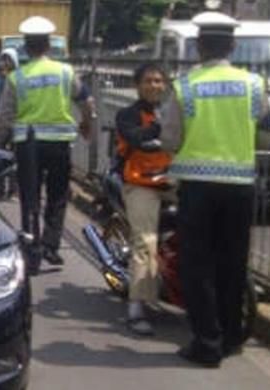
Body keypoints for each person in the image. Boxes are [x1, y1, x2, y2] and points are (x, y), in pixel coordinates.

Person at [159, 12, 270, 367]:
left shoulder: (185, 86)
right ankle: (230, 337)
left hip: (198, 187)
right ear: (233, 46)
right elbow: (268, 136)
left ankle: (207, 343)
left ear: (198, 47)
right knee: (232, 262)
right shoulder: (255, 85)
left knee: (197, 266)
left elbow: (170, 138)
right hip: (240, 187)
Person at [0, 16, 96, 273]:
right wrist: (86, 125)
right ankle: (51, 245)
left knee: (30, 197)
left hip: (28, 145)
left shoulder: (17, 78)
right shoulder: (65, 72)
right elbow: (87, 102)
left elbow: (5, 116)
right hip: (59, 144)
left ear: (25, 48)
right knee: (58, 196)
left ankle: (32, 249)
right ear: (49, 45)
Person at [115, 63, 172, 335]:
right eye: (148, 81)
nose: (154, 85)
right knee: (146, 239)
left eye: (159, 81)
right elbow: (135, 138)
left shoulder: (174, 113)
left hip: (172, 181)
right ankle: (136, 305)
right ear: (138, 86)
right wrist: (162, 127)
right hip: (140, 183)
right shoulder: (127, 115)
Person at [0, 48, 20, 200]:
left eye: (7, 59)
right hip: (1, 121)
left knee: (15, 158)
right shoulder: (0, 79)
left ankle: (13, 190)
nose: (4, 63)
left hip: (15, 123)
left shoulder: (17, 79)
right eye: (3, 59)